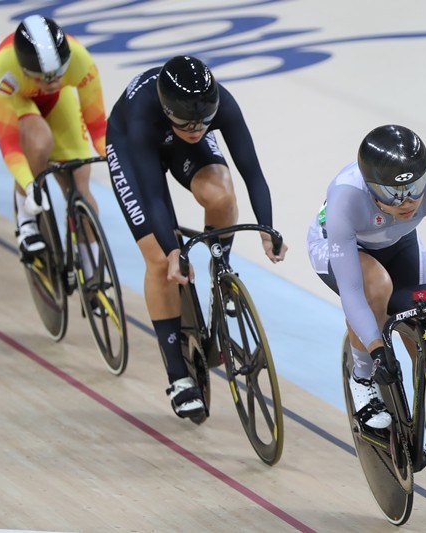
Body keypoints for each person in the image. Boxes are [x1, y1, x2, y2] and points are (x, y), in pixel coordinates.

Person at [105, 55, 287, 419]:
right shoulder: (143, 114)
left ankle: (220, 272)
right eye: (188, 122)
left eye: (204, 121)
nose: (197, 128)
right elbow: (154, 195)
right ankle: (178, 376)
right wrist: (173, 252)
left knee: (222, 195)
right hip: (130, 146)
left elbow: (252, 172)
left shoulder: (217, 106)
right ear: (168, 109)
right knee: (159, 260)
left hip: (172, 136)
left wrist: (268, 228)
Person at [306, 125, 426, 470]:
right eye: (393, 194)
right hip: (339, 249)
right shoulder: (346, 198)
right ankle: (362, 377)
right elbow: (351, 291)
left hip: (399, 244)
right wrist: (377, 352)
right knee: (375, 287)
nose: (407, 202)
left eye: (414, 190)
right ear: (369, 187)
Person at [0, 14, 107, 256]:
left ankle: (91, 273)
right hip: (13, 98)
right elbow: (10, 145)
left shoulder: (80, 58)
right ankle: (26, 222)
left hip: (55, 102)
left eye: (59, 73)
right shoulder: (2, 72)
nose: (52, 82)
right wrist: (30, 185)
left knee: (80, 178)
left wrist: (114, 157)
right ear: (24, 69)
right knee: (39, 142)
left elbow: (98, 126)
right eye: (42, 77)